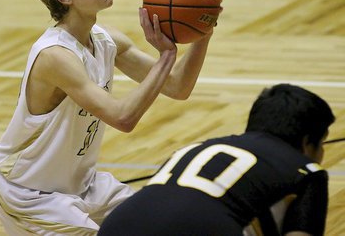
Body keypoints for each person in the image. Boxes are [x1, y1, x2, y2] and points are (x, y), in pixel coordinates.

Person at [0, 0, 221, 235]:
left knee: (158, 225)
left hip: (83, 186)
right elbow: (123, 118)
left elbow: (177, 86)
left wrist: (203, 30)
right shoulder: (56, 56)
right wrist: (167, 56)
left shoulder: (106, 39)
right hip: (32, 193)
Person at [98, 83, 335, 236]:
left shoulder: (201, 146)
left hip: (115, 226)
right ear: (307, 142)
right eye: (322, 142)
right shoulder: (307, 170)